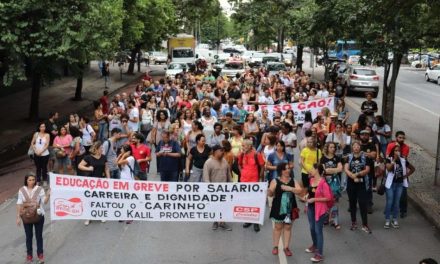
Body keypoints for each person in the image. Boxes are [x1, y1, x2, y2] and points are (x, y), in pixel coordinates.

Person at [268, 162, 302, 257]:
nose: (288, 170)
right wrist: (269, 191)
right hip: (278, 207)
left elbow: (299, 191)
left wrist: (289, 188)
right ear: (281, 171)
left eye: (288, 168)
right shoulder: (275, 181)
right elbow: (270, 194)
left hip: (290, 207)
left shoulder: (293, 180)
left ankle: (286, 247)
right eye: (285, 169)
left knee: (288, 227)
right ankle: (275, 246)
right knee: (278, 227)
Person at [16, 172, 50, 264]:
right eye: (29, 180)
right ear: (26, 180)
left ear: (35, 180)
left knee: (39, 236)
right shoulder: (21, 190)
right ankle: (29, 256)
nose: (31, 181)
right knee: (28, 237)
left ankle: (40, 256)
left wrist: (48, 195)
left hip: (39, 215)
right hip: (26, 216)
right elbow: (19, 203)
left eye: (33, 180)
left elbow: (44, 202)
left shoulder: (39, 189)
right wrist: (18, 217)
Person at [305, 163, 333, 263]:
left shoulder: (323, 183)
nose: (310, 169)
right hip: (311, 208)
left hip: (320, 210)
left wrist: (314, 199)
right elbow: (310, 192)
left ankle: (319, 254)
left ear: (317, 170)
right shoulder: (311, 180)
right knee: (312, 228)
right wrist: (307, 197)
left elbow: (328, 197)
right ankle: (315, 245)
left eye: (312, 168)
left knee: (318, 231)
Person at [78, 141, 110, 225]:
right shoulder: (88, 157)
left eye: (102, 148)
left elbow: (106, 169)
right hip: (90, 182)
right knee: (89, 199)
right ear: (96, 149)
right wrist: (88, 169)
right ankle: (88, 216)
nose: (102, 149)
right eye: (101, 148)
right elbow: (80, 166)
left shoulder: (104, 157)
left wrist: (108, 179)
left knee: (100, 199)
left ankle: (101, 214)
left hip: (101, 181)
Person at [383, 144, 415, 229]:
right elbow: (389, 168)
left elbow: (413, 169)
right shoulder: (388, 159)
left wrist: (405, 176)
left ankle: (394, 219)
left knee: (396, 202)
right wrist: (394, 160)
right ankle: (387, 219)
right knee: (390, 201)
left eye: (399, 151)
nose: (397, 152)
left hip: (399, 184)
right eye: (396, 151)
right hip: (390, 184)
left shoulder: (403, 160)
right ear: (392, 152)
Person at [202, 145, 232, 231]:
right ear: (215, 152)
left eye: (223, 151)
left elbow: (228, 175)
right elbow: (206, 177)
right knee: (215, 206)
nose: (223, 152)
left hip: (224, 189)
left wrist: (231, 186)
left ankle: (222, 222)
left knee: (224, 206)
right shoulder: (208, 162)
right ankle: (215, 221)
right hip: (213, 190)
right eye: (220, 151)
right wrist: (209, 189)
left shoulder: (225, 161)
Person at [238, 139, 265, 232]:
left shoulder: (257, 154)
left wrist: (260, 178)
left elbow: (262, 166)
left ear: (249, 146)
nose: (242, 148)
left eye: (244, 146)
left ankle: (256, 222)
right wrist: (242, 172)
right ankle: (248, 220)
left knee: (255, 202)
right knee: (246, 201)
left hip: (254, 182)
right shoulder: (242, 154)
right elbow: (239, 165)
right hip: (244, 182)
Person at [344, 141, 372, 233]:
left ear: (360, 147)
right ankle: (353, 222)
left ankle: (365, 224)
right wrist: (352, 175)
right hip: (351, 183)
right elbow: (346, 168)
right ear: (352, 148)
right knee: (352, 204)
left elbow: (367, 169)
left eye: (358, 146)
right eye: (354, 146)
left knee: (362, 203)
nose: (356, 148)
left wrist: (358, 174)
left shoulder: (365, 157)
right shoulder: (349, 157)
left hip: (362, 183)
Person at [386, 131, 410, 218]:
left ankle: (403, 210)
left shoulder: (406, 147)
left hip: (402, 171)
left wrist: (406, 175)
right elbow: (388, 156)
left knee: (403, 192)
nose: (402, 139)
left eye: (403, 138)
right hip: (391, 170)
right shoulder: (390, 145)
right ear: (396, 137)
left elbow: (404, 159)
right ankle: (389, 209)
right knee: (390, 192)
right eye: (400, 137)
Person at [320, 142, 343, 229]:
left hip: (335, 182)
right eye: (331, 147)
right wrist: (334, 170)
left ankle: (334, 220)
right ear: (327, 148)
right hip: (325, 182)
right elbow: (323, 170)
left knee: (335, 201)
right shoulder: (323, 158)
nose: (333, 149)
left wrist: (330, 170)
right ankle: (325, 219)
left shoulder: (337, 158)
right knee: (325, 201)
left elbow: (340, 169)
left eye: (334, 147)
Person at [359, 130, 377, 214]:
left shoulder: (372, 145)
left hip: (369, 171)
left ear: (368, 136)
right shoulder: (357, 145)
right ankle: (354, 204)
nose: (364, 136)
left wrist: (363, 153)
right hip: (357, 170)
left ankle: (369, 204)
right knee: (356, 188)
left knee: (368, 188)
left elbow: (374, 155)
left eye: (366, 135)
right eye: (362, 135)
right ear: (360, 136)